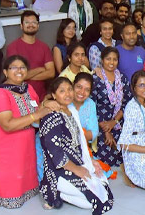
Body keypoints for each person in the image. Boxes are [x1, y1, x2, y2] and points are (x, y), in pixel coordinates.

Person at [0, 55, 51, 211]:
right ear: (5, 72)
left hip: (26, 148)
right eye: (14, 68)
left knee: (29, 181)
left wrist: (48, 104)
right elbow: (7, 125)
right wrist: (36, 115)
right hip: (7, 151)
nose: (19, 71)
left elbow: (36, 109)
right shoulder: (0, 94)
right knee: (12, 198)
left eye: (22, 67)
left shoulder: (28, 88)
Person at [39, 76, 114, 213]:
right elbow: (56, 153)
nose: (67, 94)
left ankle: (64, 192)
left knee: (102, 185)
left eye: (69, 89)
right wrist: (77, 169)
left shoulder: (72, 111)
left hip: (77, 161)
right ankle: (53, 192)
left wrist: (90, 161)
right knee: (90, 202)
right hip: (59, 169)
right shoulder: (51, 116)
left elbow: (80, 143)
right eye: (62, 91)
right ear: (54, 95)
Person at [92, 47, 133, 167]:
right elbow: (91, 107)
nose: (111, 62)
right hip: (100, 124)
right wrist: (106, 129)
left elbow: (127, 103)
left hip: (119, 122)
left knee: (125, 157)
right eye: (108, 59)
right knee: (105, 160)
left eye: (115, 59)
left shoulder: (123, 78)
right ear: (102, 60)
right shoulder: (95, 79)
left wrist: (113, 122)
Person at [6, 11, 55, 99]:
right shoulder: (13, 47)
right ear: (21, 26)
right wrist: (40, 69)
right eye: (27, 22)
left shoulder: (44, 47)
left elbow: (51, 73)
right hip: (19, 97)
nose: (31, 25)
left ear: (38, 25)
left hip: (41, 97)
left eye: (34, 22)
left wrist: (26, 76)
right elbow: (15, 75)